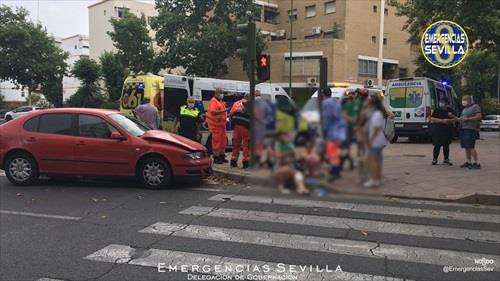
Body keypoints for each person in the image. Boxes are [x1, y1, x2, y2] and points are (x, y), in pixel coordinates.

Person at [321, 88, 346, 182]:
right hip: (340, 130)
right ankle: (335, 170)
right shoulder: (337, 102)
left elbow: (326, 118)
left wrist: (324, 131)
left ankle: (335, 172)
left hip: (332, 131)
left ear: (323, 94)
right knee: (337, 152)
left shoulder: (325, 103)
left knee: (332, 153)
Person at [364, 94, 387, 188]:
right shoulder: (378, 112)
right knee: (377, 160)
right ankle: (378, 179)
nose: (367, 102)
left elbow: (376, 128)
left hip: (375, 140)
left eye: (369, 100)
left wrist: (371, 140)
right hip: (378, 140)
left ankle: (374, 180)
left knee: (373, 160)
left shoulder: (377, 113)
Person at [430, 99, 456, 165]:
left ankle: (446, 159)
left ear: (447, 104)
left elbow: (455, 119)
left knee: (446, 145)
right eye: (441, 102)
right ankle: (435, 159)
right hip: (438, 130)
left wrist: (450, 119)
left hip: (447, 130)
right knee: (437, 145)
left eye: (443, 102)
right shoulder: (437, 110)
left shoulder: (450, 110)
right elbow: (432, 119)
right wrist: (442, 120)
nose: (441, 103)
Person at [458, 95, 482, 169]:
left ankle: (477, 163)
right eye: (463, 100)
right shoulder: (464, 109)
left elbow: (479, 116)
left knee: (471, 146)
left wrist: (468, 119)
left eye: (465, 100)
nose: (463, 101)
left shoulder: (475, 107)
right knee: (466, 146)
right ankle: (468, 161)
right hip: (463, 129)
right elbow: (462, 118)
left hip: (470, 129)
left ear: (470, 100)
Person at [206, 87, 228, 164]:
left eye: (222, 92)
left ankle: (221, 156)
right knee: (216, 142)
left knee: (223, 142)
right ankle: (216, 158)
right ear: (216, 93)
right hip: (216, 125)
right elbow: (213, 112)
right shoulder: (214, 101)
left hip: (222, 125)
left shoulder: (220, 101)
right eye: (220, 93)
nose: (222, 94)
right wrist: (223, 111)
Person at [229, 93, 250, 168]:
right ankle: (246, 162)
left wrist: (233, 124)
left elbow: (230, 114)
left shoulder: (236, 103)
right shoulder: (250, 104)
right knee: (246, 145)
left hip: (236, 126)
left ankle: (233, 162)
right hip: (245, 127)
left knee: (236, 144)